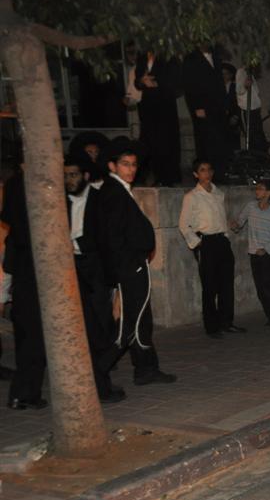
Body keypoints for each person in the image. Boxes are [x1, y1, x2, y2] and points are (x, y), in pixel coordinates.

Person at [93, 140, 176, 386]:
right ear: (112, 165)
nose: (131, 169)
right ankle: (96, 374)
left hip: (133, 265)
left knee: (142, 319)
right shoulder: (113, 192)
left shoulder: (120, 190)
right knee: (128, 325)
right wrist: (122, 275)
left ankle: (146, 368)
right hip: (129, 267)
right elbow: (112, 238)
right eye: (125, 164)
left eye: (133, 165)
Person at [65, 156, 124, 403]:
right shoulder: (58, 202)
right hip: (70, 269)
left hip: (95, 269)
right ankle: (93, 380)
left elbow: (104, 238)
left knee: (101, 325)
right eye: (66, 175)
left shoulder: (99, 200)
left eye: (74, 175)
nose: (70, 180)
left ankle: (100, 379)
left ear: (86, 176)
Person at [179, 159, 243, 338]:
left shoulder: (219, 193)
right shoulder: (191, 197)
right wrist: (198, 244)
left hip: (222, 241)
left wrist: (227, 233)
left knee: (226, 285)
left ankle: (226, 322)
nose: (206, 173)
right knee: (209, 286)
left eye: (209, 170)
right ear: (195, 174)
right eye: (202, 170)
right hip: (206, 243)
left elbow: (221, 218)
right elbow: (184, 225)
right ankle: (212, 327)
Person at [1, 173, 47, 409]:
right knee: (32, 344)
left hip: (25, 291)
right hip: (29, 292)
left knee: (31, 345)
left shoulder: (18, 234)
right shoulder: (27, 235)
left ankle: (27, 393)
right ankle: (22, 394)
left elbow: (8, 266)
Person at [233, 179, 270, 327]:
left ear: (269, 193)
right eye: (257, 189)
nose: (257, 191)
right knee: (260, 286)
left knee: (267, 285)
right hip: (254, 252)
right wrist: (235, 225)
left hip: (268, 253)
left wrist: (266, 249)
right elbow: (240, 222)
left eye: (260, 189)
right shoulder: (250, 207)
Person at [134, 52, 181, 186]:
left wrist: (155, 82)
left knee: (165, 141)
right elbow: (137, 82)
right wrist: (142, 81)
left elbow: (175, 81)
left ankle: (167, 177)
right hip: (148, 105)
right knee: (149, 140)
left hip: (165, 105)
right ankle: (151, 175)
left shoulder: (169, 57)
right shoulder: (142, 57)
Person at [182, 46, 229, 175]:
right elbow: (189, 85)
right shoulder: (191, 59)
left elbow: (220, 83)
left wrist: (225, 105)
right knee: (206, 140)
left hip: (217, 107)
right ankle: (205, 174)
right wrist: (196, 106)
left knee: (220, 139)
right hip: (202, 107)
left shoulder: (215, 57)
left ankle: (220, 172)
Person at [235, 65, 268, 152]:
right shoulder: (241, 72)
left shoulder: (250, 74)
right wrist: (245, 85)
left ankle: (262, 160)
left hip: (255, 111)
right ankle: (252, 161)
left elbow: (256, 91)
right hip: (246, 110)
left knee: (260, 139)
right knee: (252, 138)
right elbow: (239, 89)